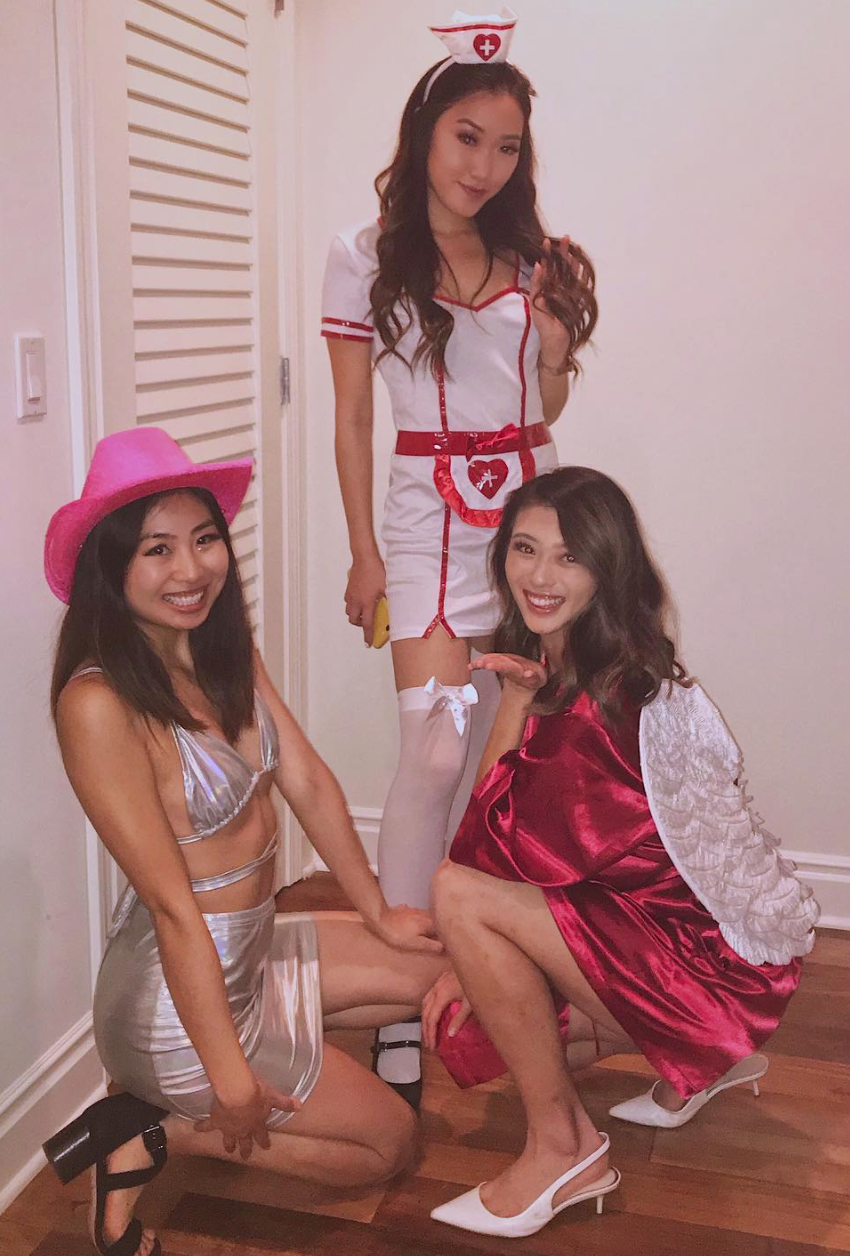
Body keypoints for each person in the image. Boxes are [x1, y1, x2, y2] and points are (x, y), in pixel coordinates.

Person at [40, 427, 448, 1256]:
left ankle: (175, 1109)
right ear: (110, 566)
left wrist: (377, 910)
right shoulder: (98, 704)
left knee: (437, 973)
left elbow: (307, 780)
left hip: (252, 950)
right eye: (157, 549)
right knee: (390, 1147)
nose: (192, 570)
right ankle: (149, 1131)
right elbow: (171, 909)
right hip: (178, 1003)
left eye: (204, 539)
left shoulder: (216, 647)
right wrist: (230, 1080)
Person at [418, 466, 818, 1239]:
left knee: (460, 908)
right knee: (477, 1017)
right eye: (525, 549)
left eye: (569, 557)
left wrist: (515, 709)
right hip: (704, 957)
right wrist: (519, 700)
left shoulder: (600, 706)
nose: (540, 576)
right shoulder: (590, 669)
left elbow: (476, 865)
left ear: (607, 568)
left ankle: (564, 1150)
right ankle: (712, 1065)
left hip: (711, 981)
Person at [322, 5, 597, 1103]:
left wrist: (561, 349)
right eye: (467, 138)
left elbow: (543, 404)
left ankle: (476, 977)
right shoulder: (361, 255)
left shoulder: (533, 258)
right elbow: (352, 418)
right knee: (435, 756)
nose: (484, 166)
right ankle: (401, 999)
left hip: (528, 527)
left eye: (507, 147)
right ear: (425, 131)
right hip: (425, 528)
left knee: (501, 757)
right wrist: (362, 554)